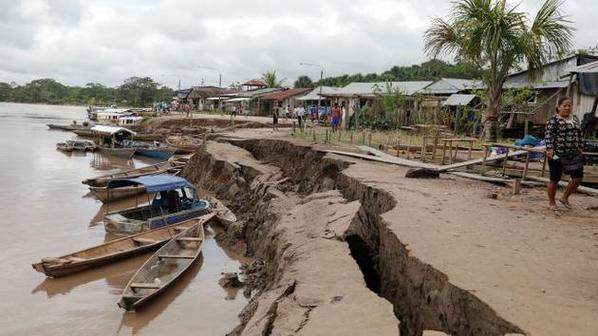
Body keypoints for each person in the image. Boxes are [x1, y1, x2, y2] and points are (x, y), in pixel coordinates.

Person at [545, 96, 585, 211]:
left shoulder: (575, 119)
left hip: (574, 153)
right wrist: (549, 149)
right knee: (555, 178)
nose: (567, 108)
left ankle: (564, 197)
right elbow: (548, 135)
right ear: (559, 107)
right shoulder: (553, 120)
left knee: (578, 177)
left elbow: (580, 135)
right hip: (557, 153)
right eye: (565, 105)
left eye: (569, 105)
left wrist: (581, 147)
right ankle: (552, 202)